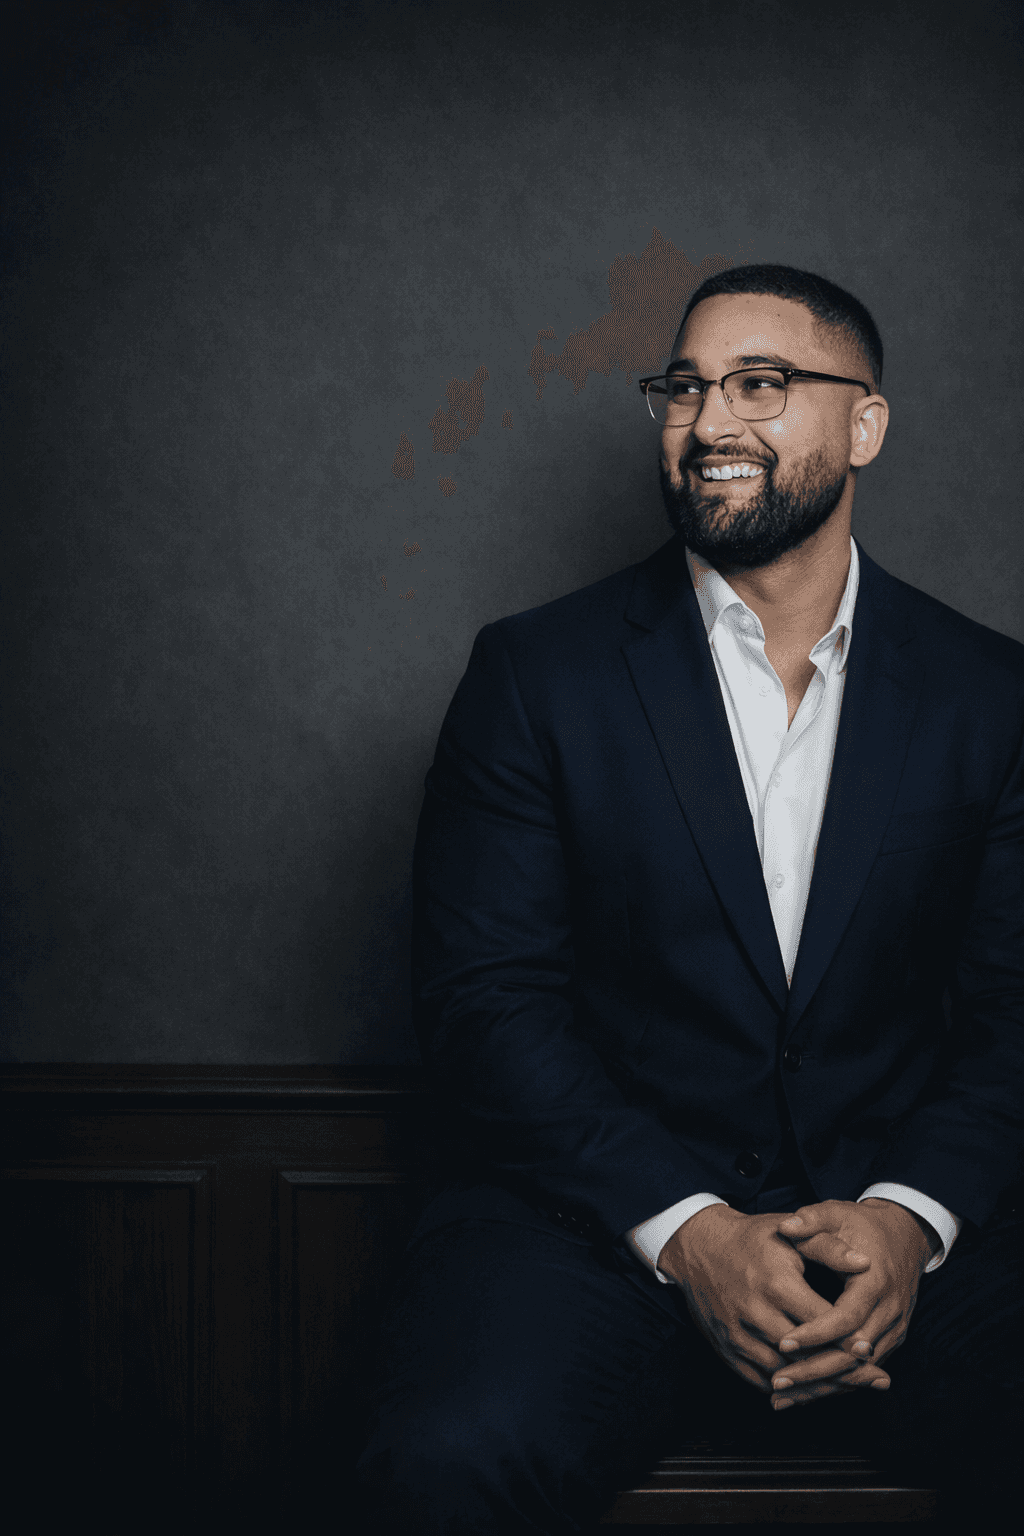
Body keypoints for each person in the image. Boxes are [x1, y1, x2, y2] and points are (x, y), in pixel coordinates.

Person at [354, 265, 1023, 1532]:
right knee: (451, 1457)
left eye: (761, 383)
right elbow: (485, 1003)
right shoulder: (532, 675)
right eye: (684, 387)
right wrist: (692, 1233)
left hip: (905, 1239)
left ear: (864, 424)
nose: (709, 421)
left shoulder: (991, 695)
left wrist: (906, 1222)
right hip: (600, 1238)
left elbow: (1015, 1008)